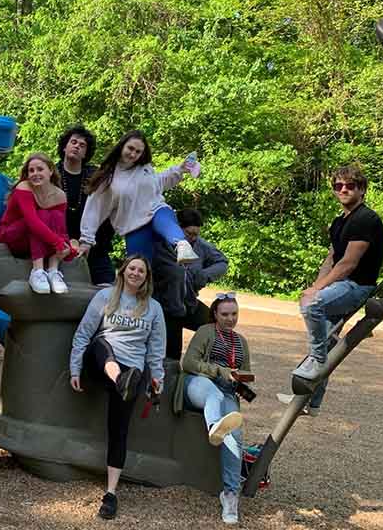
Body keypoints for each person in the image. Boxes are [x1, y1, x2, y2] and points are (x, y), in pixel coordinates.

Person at [69, 256, 166, 520]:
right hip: (100, 362)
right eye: (132, 268)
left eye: (141, 271)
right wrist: (75, 368)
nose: (136, 273)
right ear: (123, 271)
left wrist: (158, 381)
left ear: (146, 277)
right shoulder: (105, 296)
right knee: (103, 344)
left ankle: (111, 493)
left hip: (133, 370)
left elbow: (156, 350)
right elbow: (84, 333)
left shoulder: (154, 308)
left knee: (119, 429)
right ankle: (120, 381)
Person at [292, 166, 383, 403]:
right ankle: (311, 403)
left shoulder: (366, 219)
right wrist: (316, 285)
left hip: (356, 286)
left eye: (350, 186)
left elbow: (348, 264)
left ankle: (317, 359)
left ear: (362, 190)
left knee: (313, 306)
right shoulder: (338, 222)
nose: (343, 190)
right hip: (340, 285)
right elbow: (332, 258)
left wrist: (316, 292)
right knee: (328, 341)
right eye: (338, 186)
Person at [78, 130, 199, 265]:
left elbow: (158, 183)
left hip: (157, 212)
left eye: (138, 151)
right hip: (134, 225)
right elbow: (94, 208)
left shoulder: (145, 168)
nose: (133, 154)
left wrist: (179, 169)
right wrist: (86, 240)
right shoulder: (107, 177)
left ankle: (182, 246)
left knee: (163, 217)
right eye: (130, 148)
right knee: (138, 267)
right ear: (122, 146)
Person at [181, 293, 250, 525]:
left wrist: (242, 383)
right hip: (199, 383)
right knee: (214, 394)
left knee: (235, 433)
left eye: (234, 314)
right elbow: (188, 363)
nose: (230, 319)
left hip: (228, 391)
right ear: (215, 315)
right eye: (225, 314)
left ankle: (230, 495)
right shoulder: (205, 332)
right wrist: (220, 371)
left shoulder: (241, 342)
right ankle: (214, 427)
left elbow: (244, 370)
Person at [153, 208, 230, 359]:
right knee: (172, 358)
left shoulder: (201, 245)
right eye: (189, 234)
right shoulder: (160, 246)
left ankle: (204, 365)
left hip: (189, 305)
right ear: (177, 230)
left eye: (197, 234)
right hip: (166, 311)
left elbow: (222, 262)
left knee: (219, 331)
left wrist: (204, 276)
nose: (193, 238)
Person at [0, 153, 75, 294]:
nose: (35, 174)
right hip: (11, 235)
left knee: (54, 215)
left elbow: (61, 228)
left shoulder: (60, 195)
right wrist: (58, 243)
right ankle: (37, 271)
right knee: (42, 214)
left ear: (50, 171)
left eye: (40, 169)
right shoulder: (24, 187)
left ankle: (52, 270)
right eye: (31, 170)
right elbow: (32, 221)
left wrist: (66, 245)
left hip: (36, 240)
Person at [56, 125, 115, 286]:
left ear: (86, 153)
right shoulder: (51, 173)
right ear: (64, 146)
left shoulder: (96, 176)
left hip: (94, 244)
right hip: (57, 242)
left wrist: (88, 241)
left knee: (107, 289)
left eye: (82, 145)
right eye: (73, 142)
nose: (77, 146)